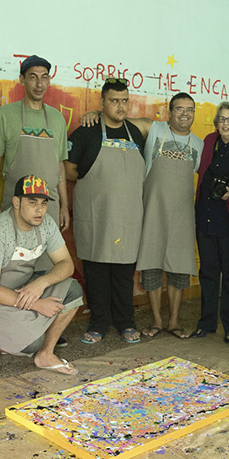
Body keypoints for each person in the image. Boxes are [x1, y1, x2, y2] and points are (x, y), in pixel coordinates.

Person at [78, 93, 204, 339]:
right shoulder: (155, 129)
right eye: (179, 109)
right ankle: (157, 321)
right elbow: (119, 120)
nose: (184, 114)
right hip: (152, 213)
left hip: (182, 217)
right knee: (152, 269)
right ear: (170, 112)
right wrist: (97, 114)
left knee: (179, 271)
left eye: (190, 110)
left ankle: (174, 322)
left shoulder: (198, 144)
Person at [0, 175, 83, 375]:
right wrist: (36, 304)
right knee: (29, 344)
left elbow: (66, 264)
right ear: (16, 202)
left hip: (18, 287)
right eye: (32, 203)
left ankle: (45, 355)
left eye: (43, 203)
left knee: (72, 289)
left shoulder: (46, 224)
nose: (39, 210)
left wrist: (41, 283)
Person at [65, 78, 145, 344]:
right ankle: (98, 323)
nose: (120, 106)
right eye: (114, 101)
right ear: (102, 103)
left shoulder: (135, 132)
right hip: (97, 217)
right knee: (97, 272)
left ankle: (125, 322)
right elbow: (69, 169)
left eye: (124, 101)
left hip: (127, 219)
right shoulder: (86, 132)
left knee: (124, 273)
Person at [0, 55, 69, 230]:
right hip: (15, 206)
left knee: (47, 255)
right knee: (14, 256)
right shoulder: (5, 114)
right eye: (33, 77)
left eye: (44, 77)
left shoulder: (57, 118)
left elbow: (60, 164)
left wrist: (64, 206)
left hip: (49, 208)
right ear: (22, 80)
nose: (39, 84)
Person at [193, 101, 229, 343]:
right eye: (222, 119)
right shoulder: (209, 140)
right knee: (207, 272)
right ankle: (205, 323)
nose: (226, 123)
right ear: (216, 122)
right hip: (205, 214)